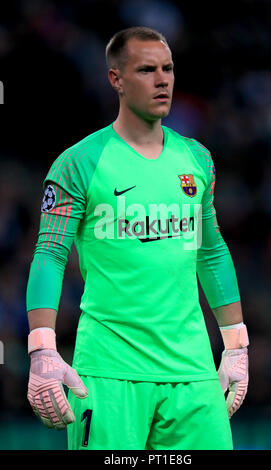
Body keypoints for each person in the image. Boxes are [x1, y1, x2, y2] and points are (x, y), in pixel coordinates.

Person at [26, 26, 249, 451]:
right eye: (147, 70)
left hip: (193, 372)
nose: (162, 79)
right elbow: (50, 255)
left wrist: (236, 345)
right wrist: (42, 350)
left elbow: (212, 250)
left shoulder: (197, 158)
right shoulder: (79, 163)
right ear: (116, 80)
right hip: (109, 372)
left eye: (167, 68)